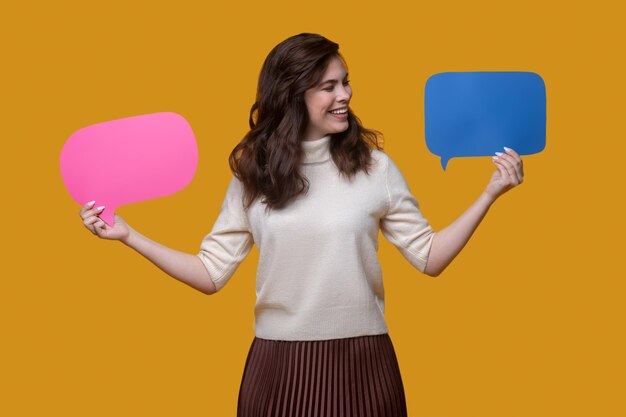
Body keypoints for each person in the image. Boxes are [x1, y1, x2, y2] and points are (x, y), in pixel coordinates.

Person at [79, 33, 524, 417]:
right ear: (293, 94)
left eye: (345, 81)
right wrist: (129, 236)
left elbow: (429, 257)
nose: (344, 94)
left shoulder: (375, 168)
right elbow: (210, 273)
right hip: (277, 368)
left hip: (364, 365)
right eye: (328, 86)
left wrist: (489, 194)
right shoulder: (253, 174)